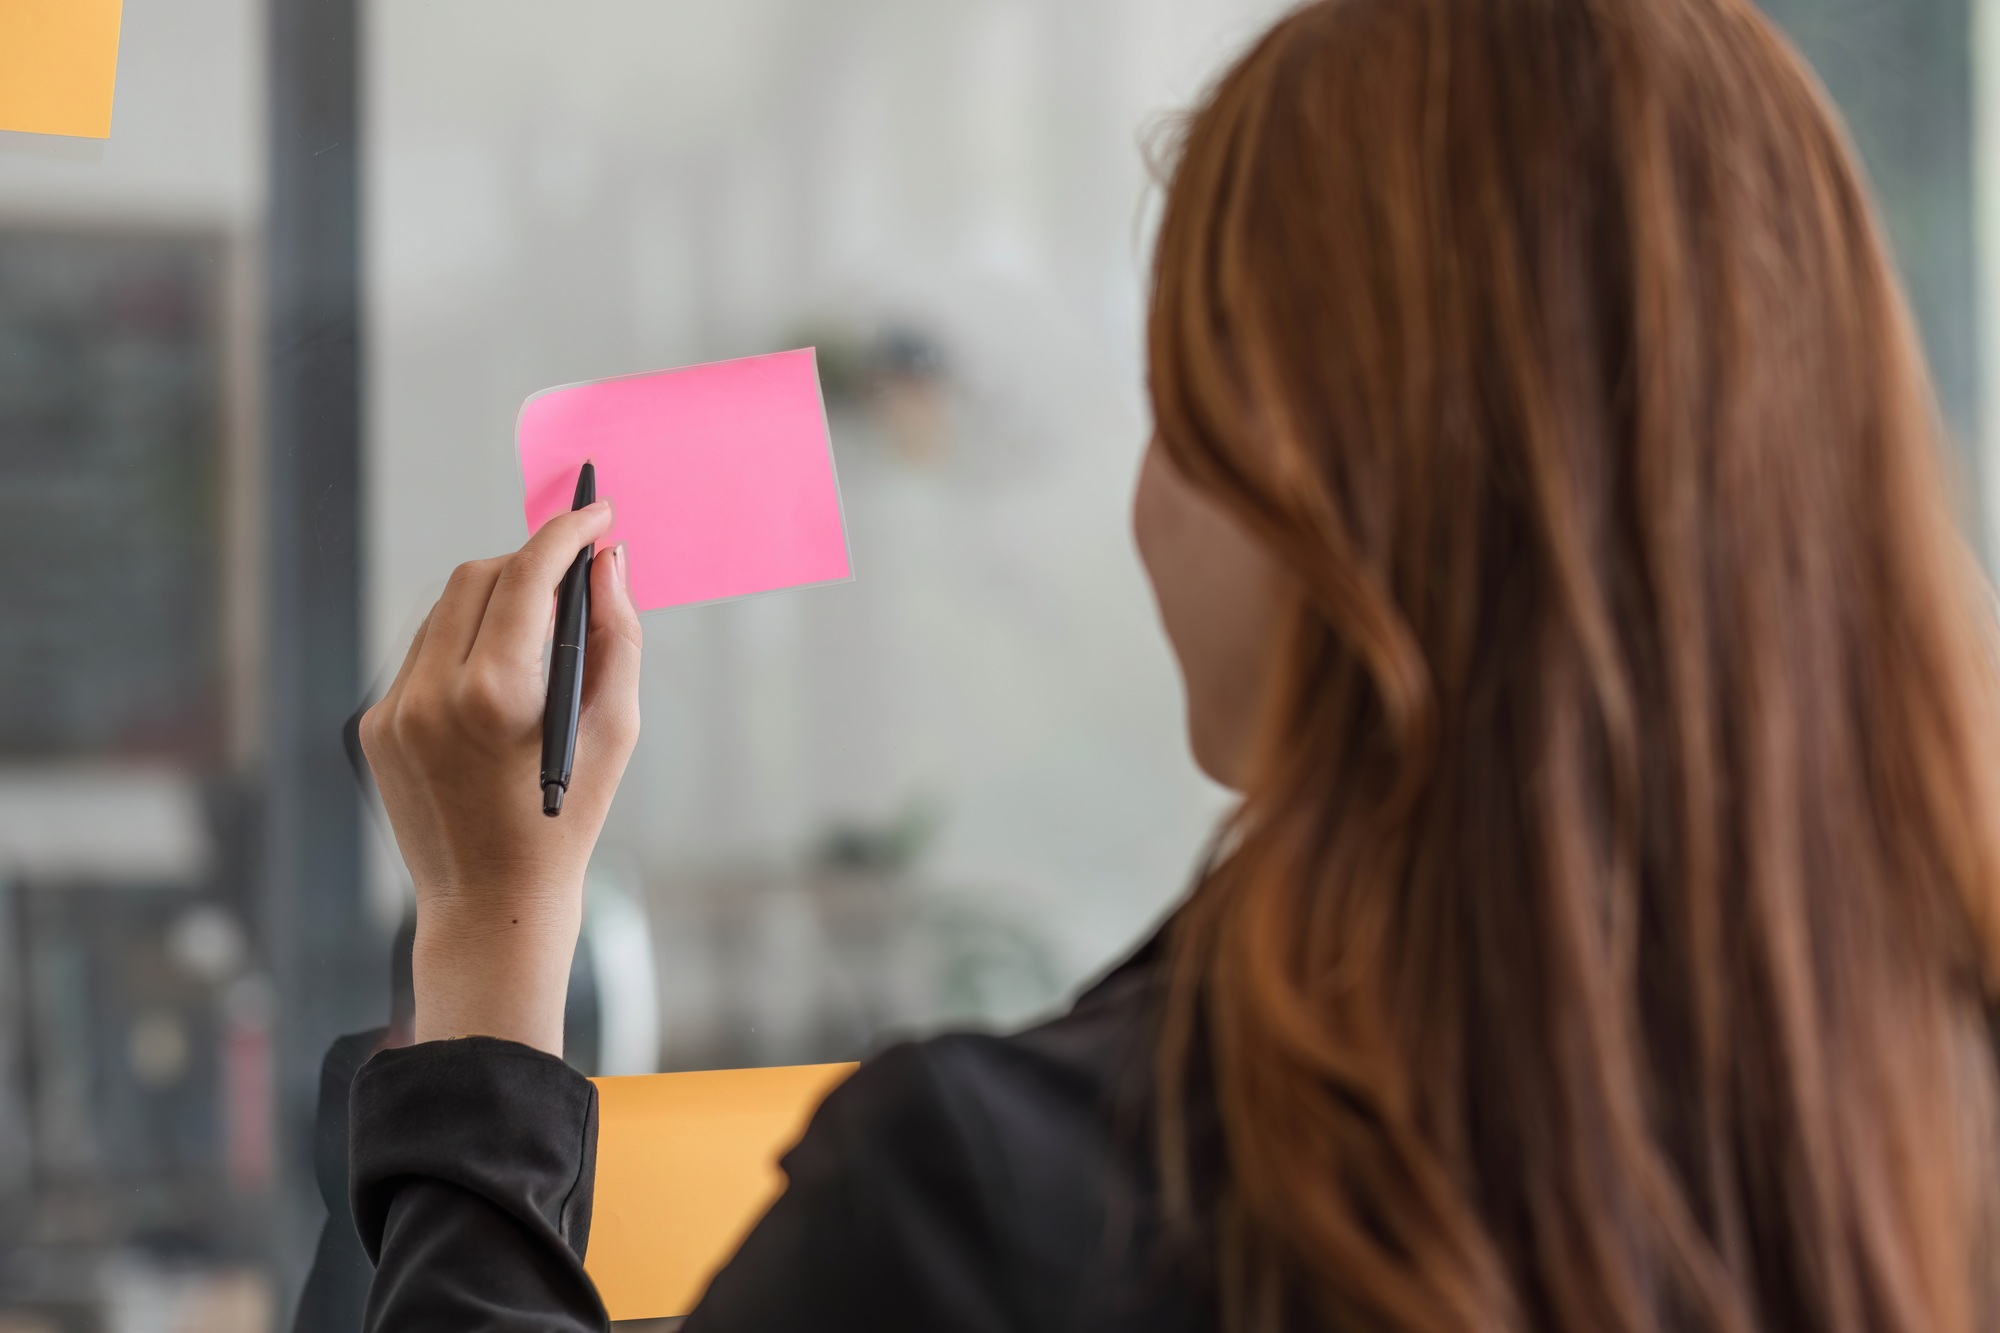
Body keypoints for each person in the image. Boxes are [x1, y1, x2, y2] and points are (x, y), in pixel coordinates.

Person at [330, 0, 2000, 1328]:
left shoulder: (1008, 1213)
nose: (1141, 506)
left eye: (1181, 411)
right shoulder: (1923, 1122)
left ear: (1327, 490)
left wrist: (486, 945)